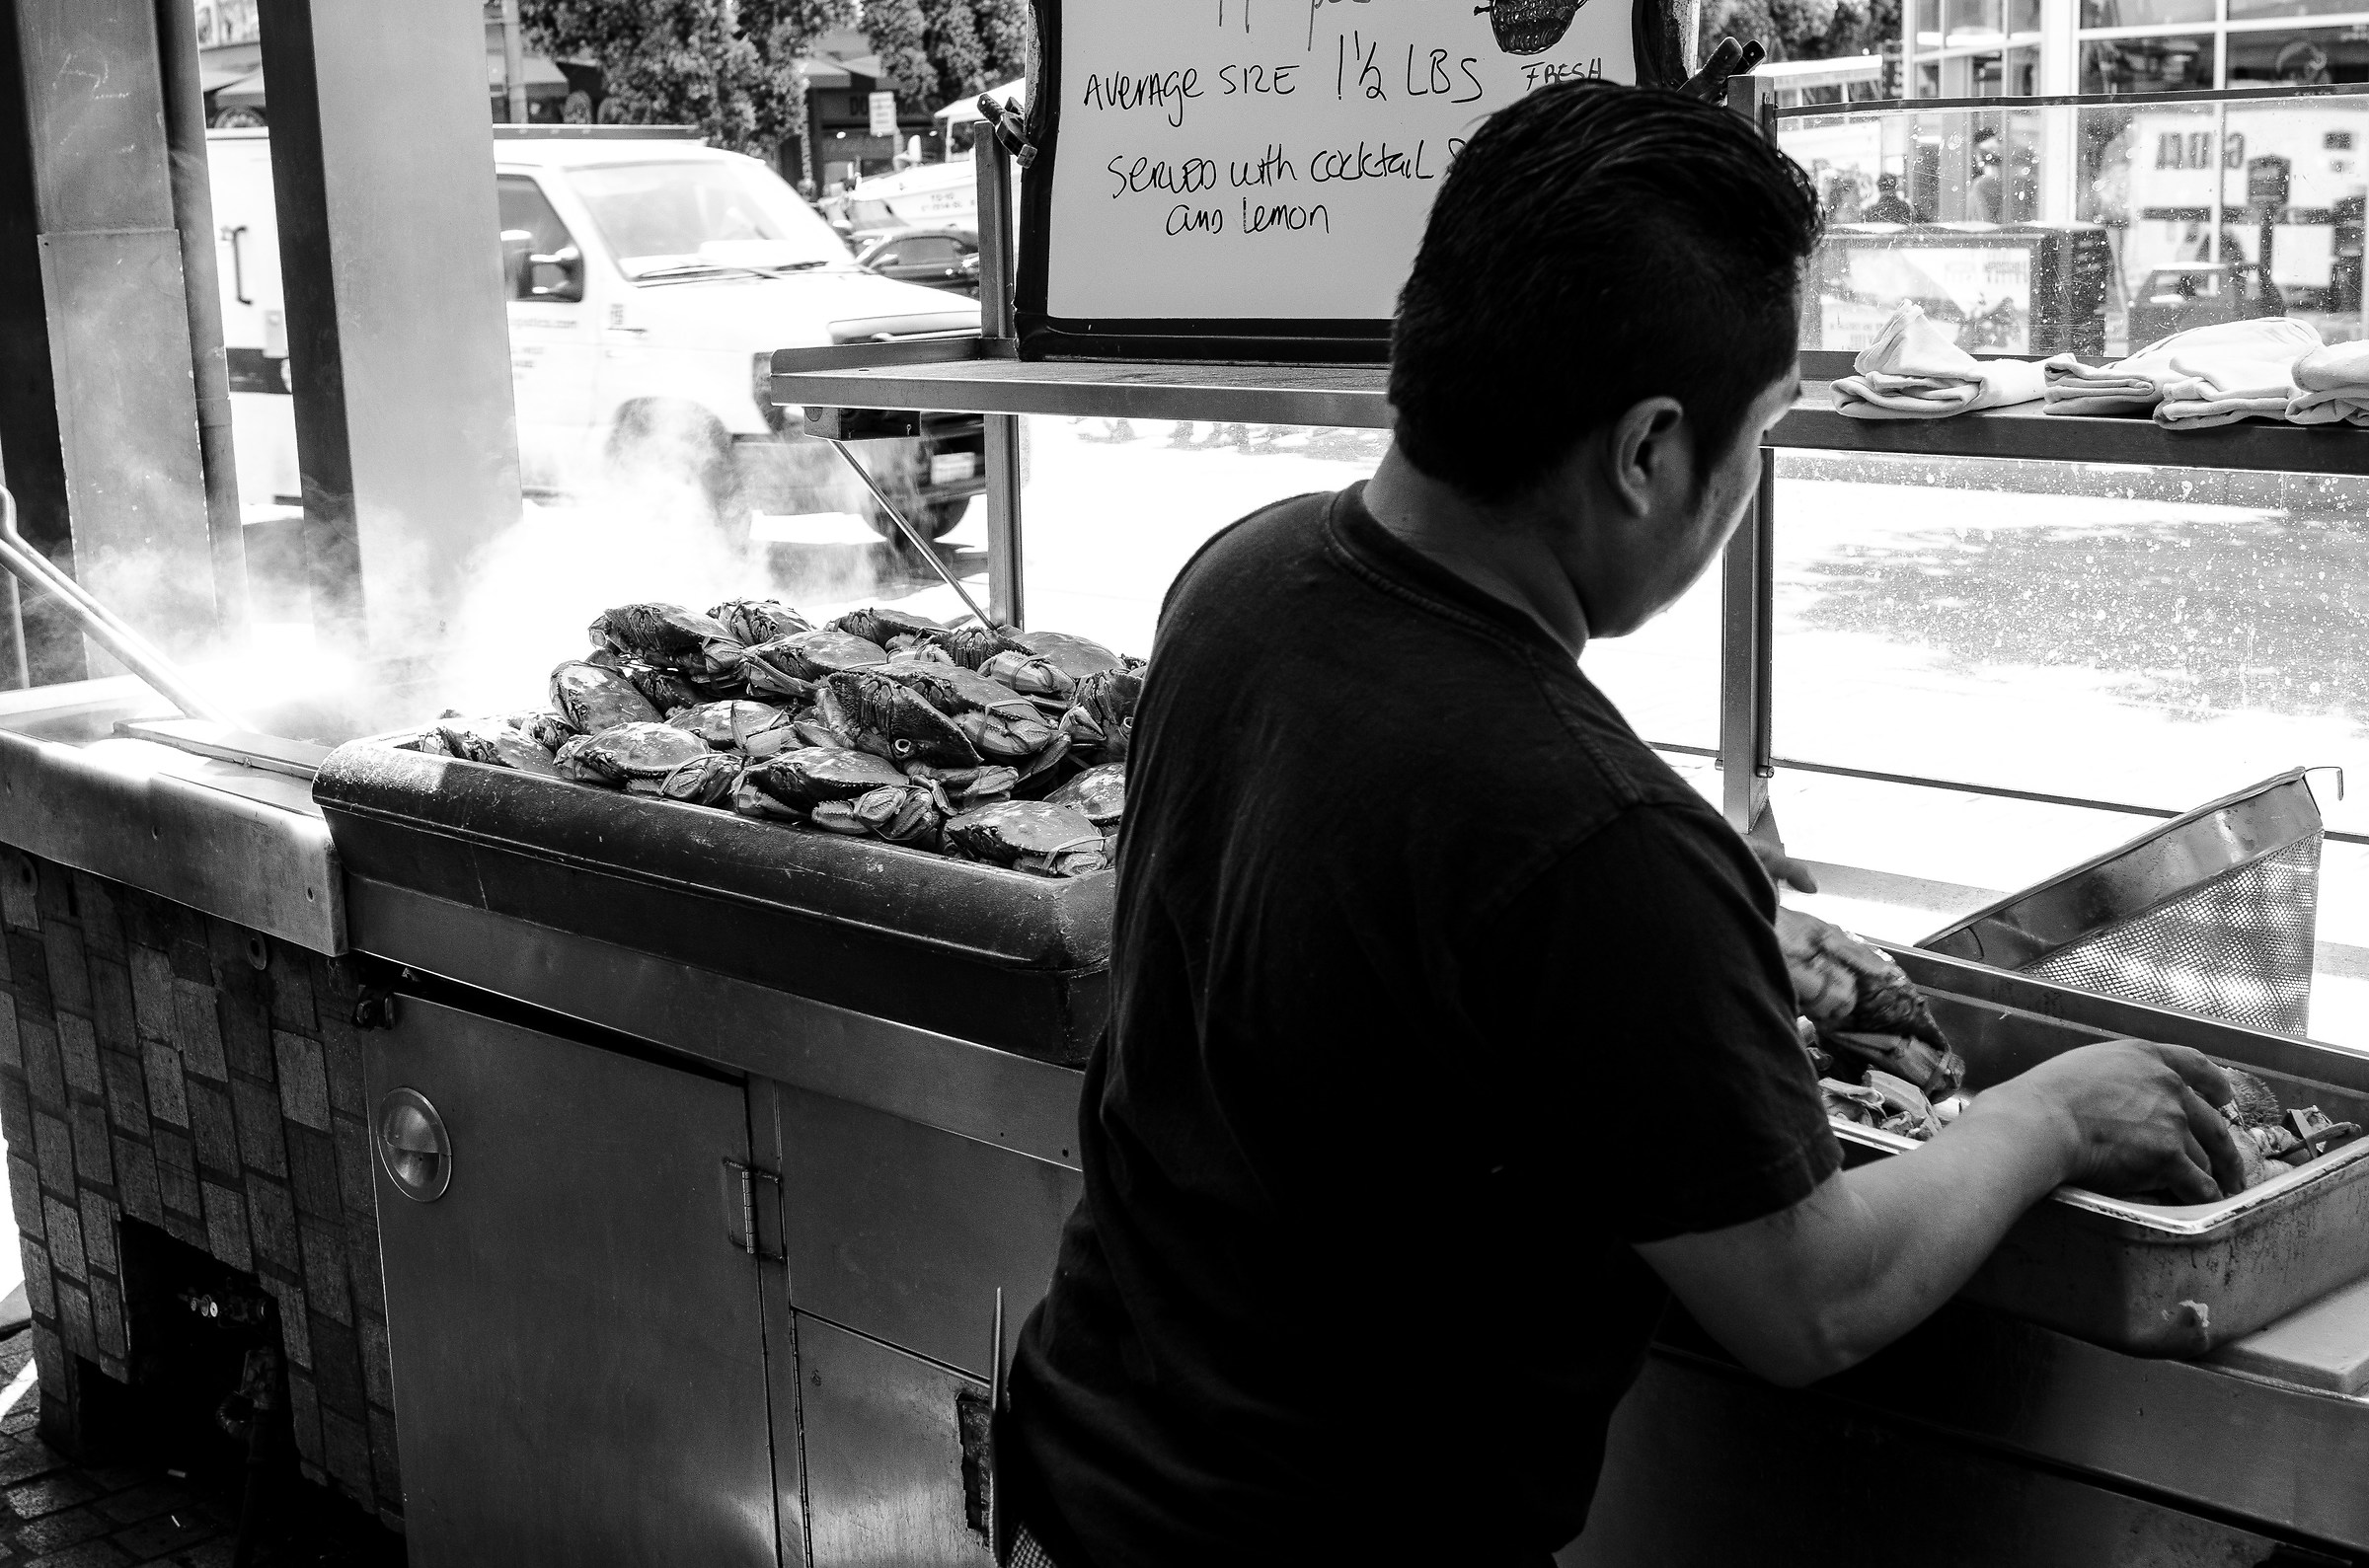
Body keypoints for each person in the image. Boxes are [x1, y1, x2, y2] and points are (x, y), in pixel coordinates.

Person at [1004, 81, 2244, 1568]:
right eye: (1762, 431)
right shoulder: (1598, 835)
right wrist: (2049, 1117)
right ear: (1650, 450)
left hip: (1084, 1470)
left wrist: (1711, 951)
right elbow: (1810, 1299)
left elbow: (1385, 954)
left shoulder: (1240, 579)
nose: (1751, 478)